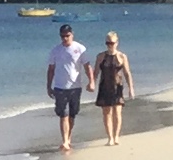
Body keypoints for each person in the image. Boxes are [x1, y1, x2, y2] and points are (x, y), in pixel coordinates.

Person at [46, 22, 89, 151]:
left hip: (75, 87)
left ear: (72, 34)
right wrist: (48, 86)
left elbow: (87, 66)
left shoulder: (80, 48)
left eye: (67, 35)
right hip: (60, 87)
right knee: (63, 114)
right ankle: (64, 141)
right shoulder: (55, 50)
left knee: (72, 115)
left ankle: (68, 138)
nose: (65, 38)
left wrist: (91, 81)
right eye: (62, 36)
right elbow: (51, 69)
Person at [90, 30, 134, 145]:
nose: (110, 45)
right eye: (108, 43)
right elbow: (95, 72)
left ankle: (116, 136)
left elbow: (127, 73)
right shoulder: (101, 56)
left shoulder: (122, 56)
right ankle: (110, 137)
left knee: (117, 112)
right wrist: (92, 83)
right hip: (105, 86)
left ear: (117, 43)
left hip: (117, 87)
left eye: (112, 43)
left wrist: (131, 88)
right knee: (107, 112)